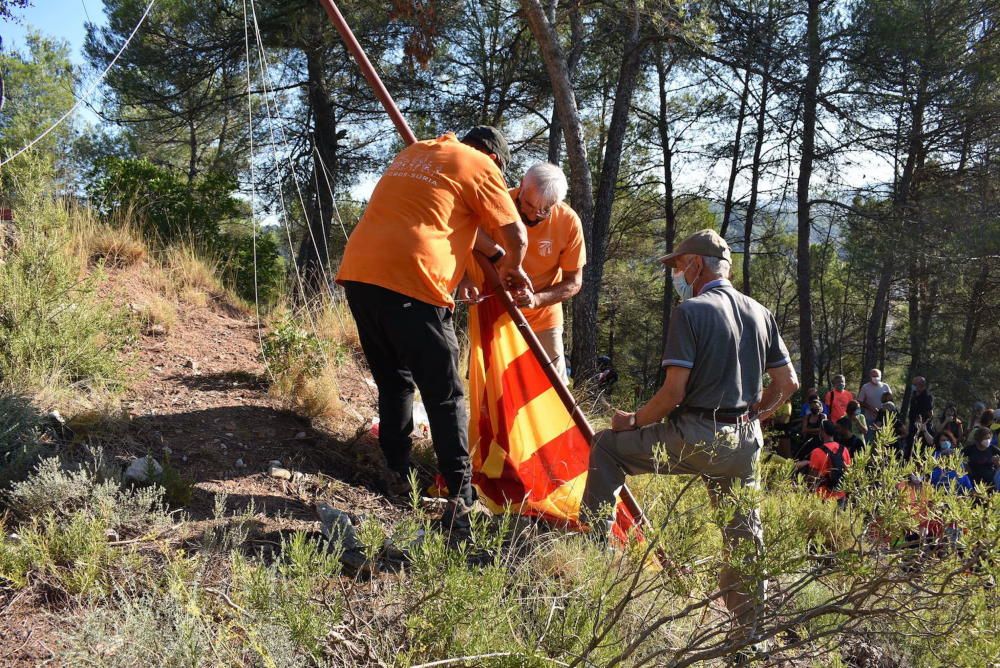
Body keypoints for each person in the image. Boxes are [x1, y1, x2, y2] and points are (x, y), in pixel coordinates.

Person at [581, 229, 799, 640]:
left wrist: (634, 421)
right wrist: (760, 412)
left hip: (696, 434)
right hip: (744, 441)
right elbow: (788, 382)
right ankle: (748, 636)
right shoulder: (759, 311)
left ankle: (592, 557)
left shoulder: (691, 312)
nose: (677, 274)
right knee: (744, 536)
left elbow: (673, 392)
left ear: (697, 265)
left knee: (608, 449)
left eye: (680, 266)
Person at [336, 126, 530, 542]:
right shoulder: (482, 166)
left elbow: (442, 217)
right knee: (446, 395)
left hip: (360, 274)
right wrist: (512, 266)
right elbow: (517, 234)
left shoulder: (419, 152)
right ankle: (461, 497)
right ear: (495, 161)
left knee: (394, 380)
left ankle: (396, 470)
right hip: (413, 282)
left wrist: (480, 262)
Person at [468, 163, 585, 380]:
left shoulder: (568, 221)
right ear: (521, 186)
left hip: (543, 319)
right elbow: (467, 235)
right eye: (529, 205)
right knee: (490, 387)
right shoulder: (496, 203)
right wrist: (467, 279)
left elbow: (574, 281)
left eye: (544, 209)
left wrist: (537, 299)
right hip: (493, 314)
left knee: (553, 390)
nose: (533, 215)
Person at [795, 420, 852, 502]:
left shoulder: (817, 452)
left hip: (822, 496)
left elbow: (812, 479)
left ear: (822, 431)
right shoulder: (844, 449)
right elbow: (848, 472)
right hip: (840, 495)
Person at [963, 426, 1000, 490]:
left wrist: (998, 462)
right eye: (985, 438)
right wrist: (965, 465)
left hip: (990, 481)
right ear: (979, 438)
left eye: (989, 438)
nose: (988, 440)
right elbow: (958, 456)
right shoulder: (970, 449)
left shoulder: (992, 449)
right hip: (973, 481)